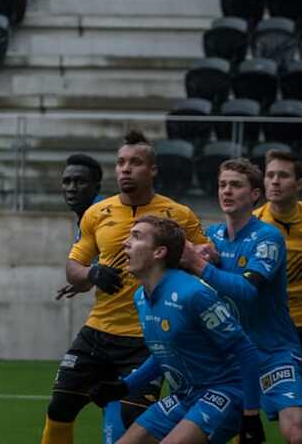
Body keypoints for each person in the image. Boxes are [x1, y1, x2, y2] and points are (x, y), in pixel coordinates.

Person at [42, 130, 207, 444]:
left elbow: (205, 261)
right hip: (98, 333)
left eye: (135, 163)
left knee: (135, 419)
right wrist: (92, 274)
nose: (126, 169)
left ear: (153, 170)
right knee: (59, 406)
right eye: (120, 163)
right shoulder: (96, 214)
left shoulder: (178, 215)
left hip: (148, 338)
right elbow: (72, 268)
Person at [89, 215, 264, 444]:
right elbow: (164, 353)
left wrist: (251, 415)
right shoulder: (140, 297)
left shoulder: (193, 294)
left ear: (158, 252)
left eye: (137, 236)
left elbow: (246, 350)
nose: (126, 243)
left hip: (225, 392)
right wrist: (124, 387)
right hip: (185, 395)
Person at [181, 158, 302, 443]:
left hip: (272, 350)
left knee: (296, 431)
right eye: (222, 185)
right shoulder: (211, 236)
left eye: (236, 185)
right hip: (229, 356)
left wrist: (199, 265)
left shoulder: (268, 237)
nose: (227, 191)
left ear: (254, 194)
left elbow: (247, 290)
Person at [54, 153, 123, 442]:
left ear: (96, 185)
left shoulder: (105, 214)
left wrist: (90, 275)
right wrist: (85, 280)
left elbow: (116, 269)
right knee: (68, 403)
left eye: (79, 182)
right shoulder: (86, 217)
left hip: (130, 326)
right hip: (105, 323)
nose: (71, 188)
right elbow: (99, 269)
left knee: (116, 398)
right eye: (67, 181)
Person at [254, 150, 302, 358]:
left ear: (299, 184)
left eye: (283, 176)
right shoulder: (251, 224)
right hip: (269, 324)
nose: (275, 182)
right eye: (270, 175)